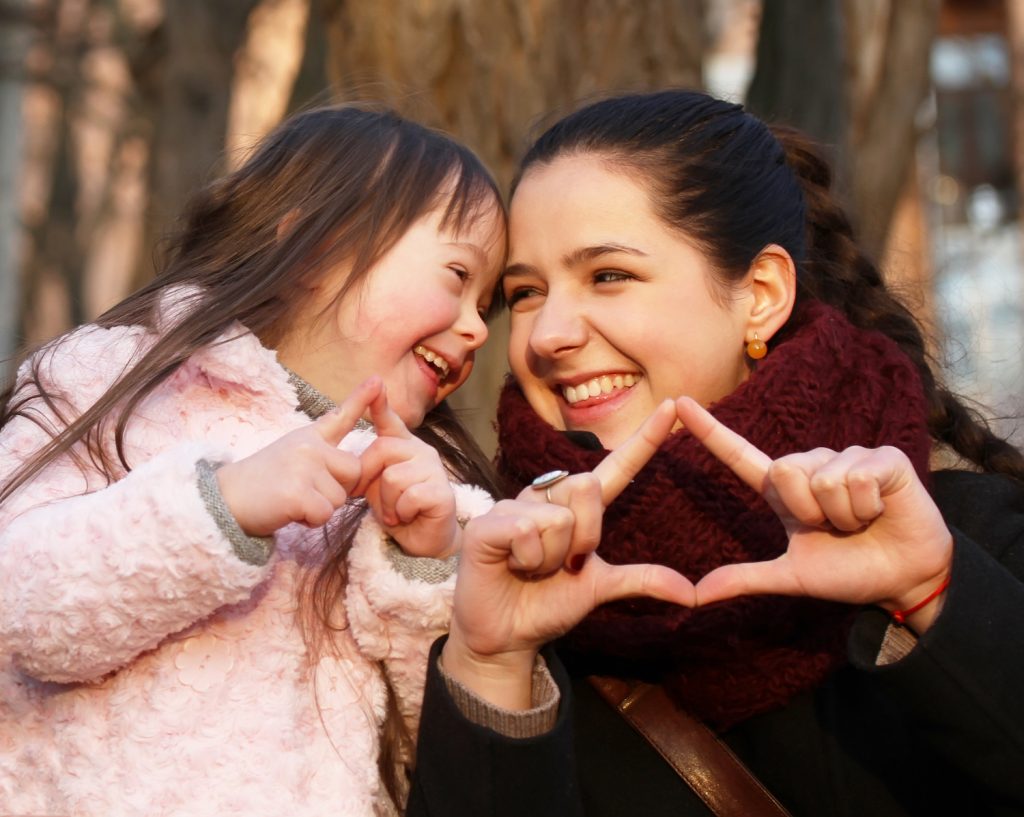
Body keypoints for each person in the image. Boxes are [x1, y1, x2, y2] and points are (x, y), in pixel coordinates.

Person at [406, 90, 1024, 816]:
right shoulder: (500, 612)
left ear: (759, 294)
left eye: (608, 274)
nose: (547, 334)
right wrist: (492, 670)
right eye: (527, 291)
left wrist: (937, 602)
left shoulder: (973, 541)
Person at [0, 105, 508, 816]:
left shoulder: (439, 498)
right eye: (457, 276)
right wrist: (219, 506)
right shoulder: (116, 383)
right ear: (317, 244)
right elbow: (18, 610)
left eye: (488, 302)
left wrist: (426, 567)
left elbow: (443, 763)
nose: (478, 325)